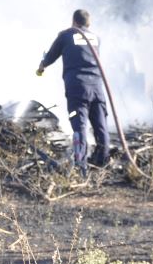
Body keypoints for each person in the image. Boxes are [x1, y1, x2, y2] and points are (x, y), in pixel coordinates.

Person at [37, 9, 110, 172]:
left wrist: (41, 66)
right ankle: (103, 162)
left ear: (73, 21)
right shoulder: (96, 38)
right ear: (88, 23)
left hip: (78, 88)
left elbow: (50, 57)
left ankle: (81, 166)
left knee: (79, 126)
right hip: (98, 88)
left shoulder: (65, 35)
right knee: (101, 125)